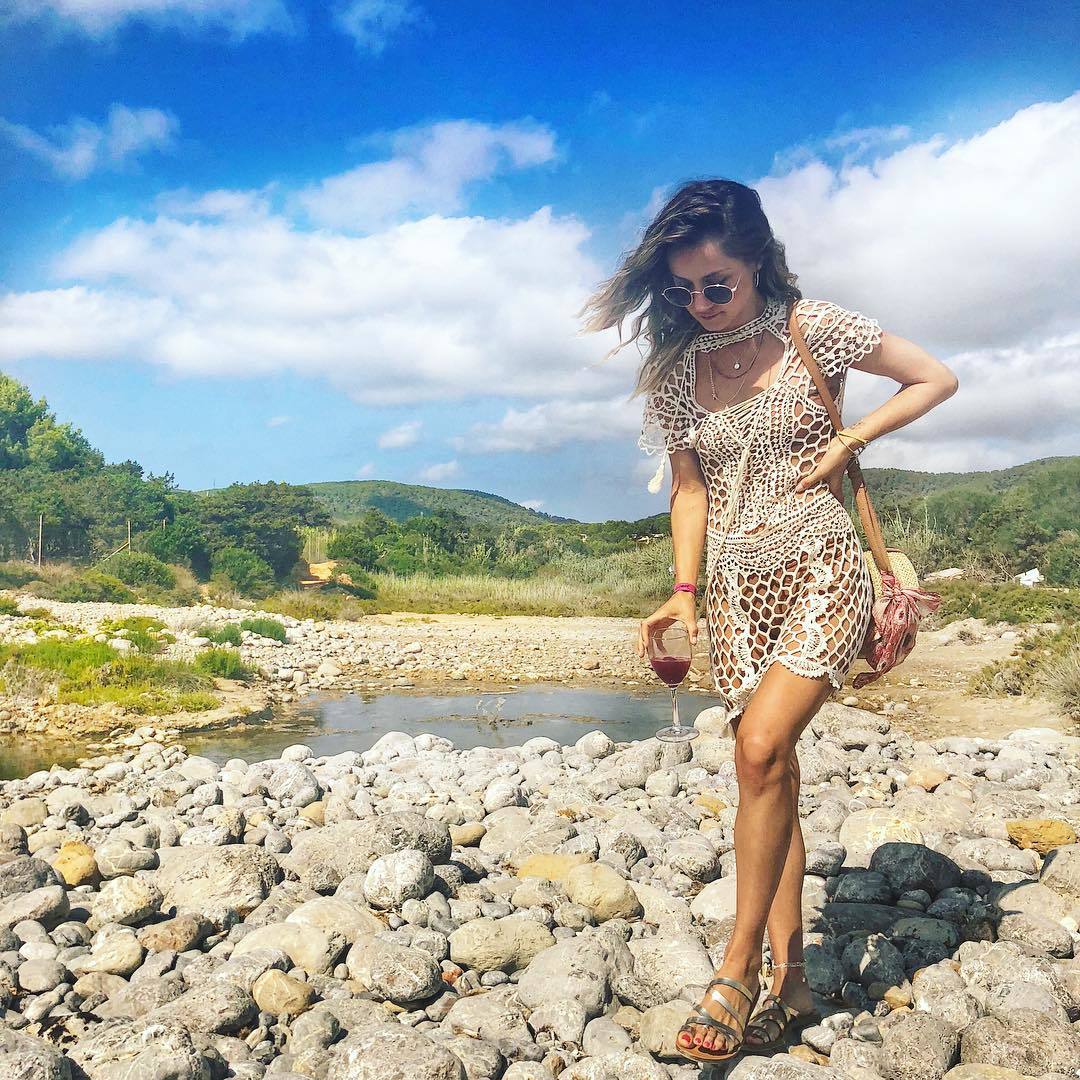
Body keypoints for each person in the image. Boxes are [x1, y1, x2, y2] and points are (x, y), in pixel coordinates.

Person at [578, 179, 958, 1063]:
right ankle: (793, 985)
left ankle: (736, 968)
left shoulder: (812, 328)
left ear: (757, 263)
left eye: (717, 285)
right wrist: (683, 590)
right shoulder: (677, 373)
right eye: (683, 290)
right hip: (737, 593)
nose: (700, 303)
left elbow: (935, 378)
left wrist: (851, 439)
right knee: (768, 769)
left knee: (756, 750)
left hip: (823, 566)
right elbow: (690, 491)